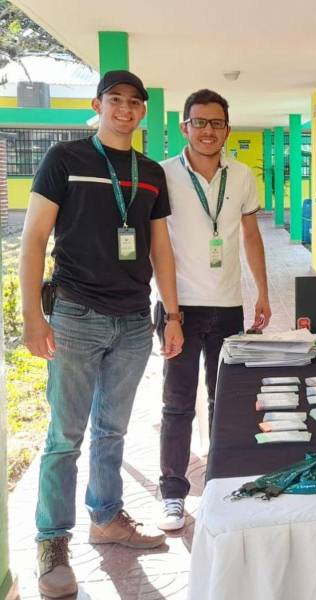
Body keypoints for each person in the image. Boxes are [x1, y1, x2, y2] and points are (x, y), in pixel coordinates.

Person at [19, 70, 184, 598]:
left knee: (112, 429)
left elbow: (160, 249)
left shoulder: (151, 172)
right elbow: (33, 239)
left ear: (143, 112)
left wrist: (172, 314)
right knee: (64, 436)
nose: (126, 109)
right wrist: (32, 316)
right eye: (116, 100)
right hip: (74, 314)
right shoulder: (64, 159)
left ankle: (106, 517)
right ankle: (51, 540)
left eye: (136, 102)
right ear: (98, 105)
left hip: (134, 319)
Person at [156, 89, 271, 531]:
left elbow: (251, 236)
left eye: (216, 123)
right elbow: (156, 242)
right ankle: (172, 493)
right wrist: (169, 312)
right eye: (199, 122)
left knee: (225, 399)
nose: (208, 131)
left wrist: (261, 291)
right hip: (178, 306)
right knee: (177, 402)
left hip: (228, 307)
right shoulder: (163, 174)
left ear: (227, 128)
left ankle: (223, 483)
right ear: (185, 127)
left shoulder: (241, 176)